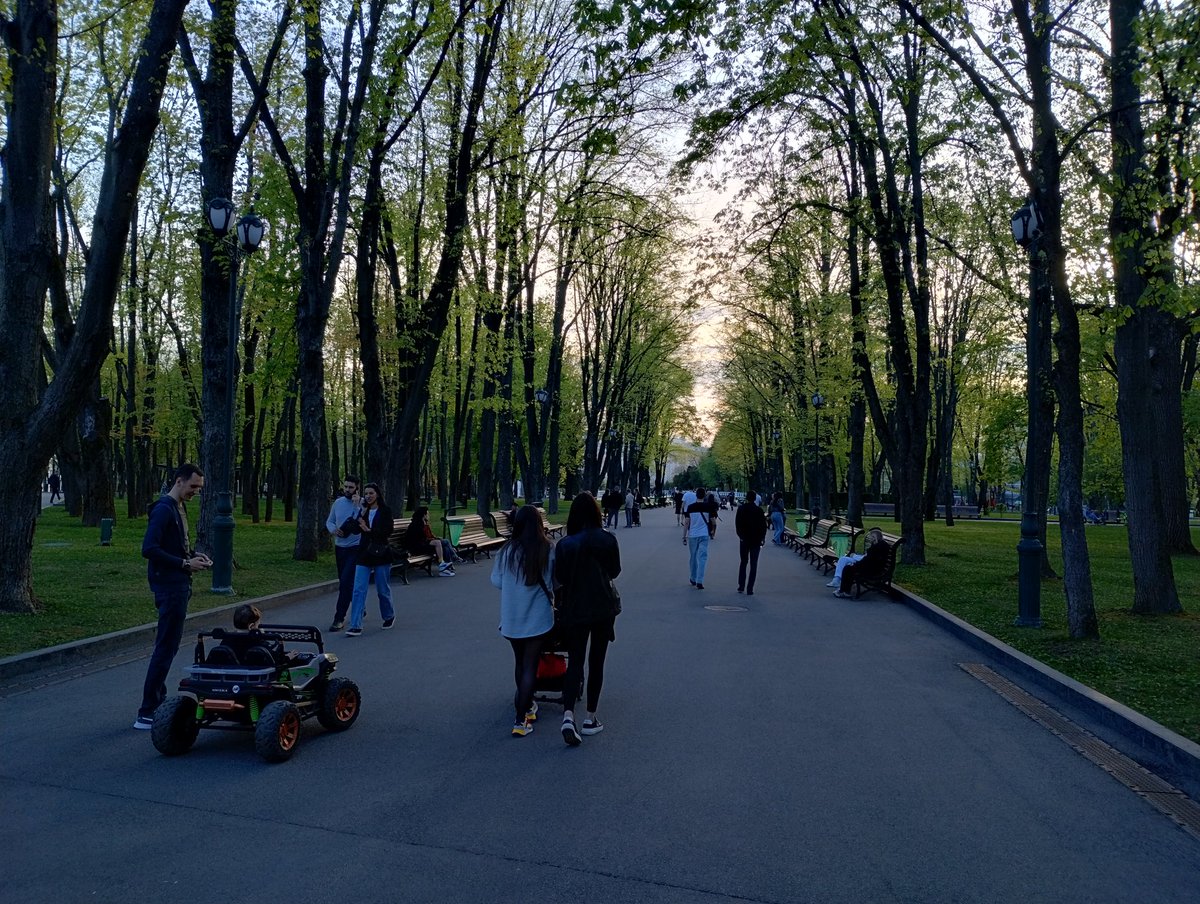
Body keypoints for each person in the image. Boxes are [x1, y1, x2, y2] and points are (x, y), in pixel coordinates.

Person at [133, 463, 212, 729]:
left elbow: (174, 547)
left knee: (168, 645)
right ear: (179, 481)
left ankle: (158, 700)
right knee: (165, 647)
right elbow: (149, 549)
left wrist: (192, 557)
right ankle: (148, 710)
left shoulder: (178, 507)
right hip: (169, 586)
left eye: (199, 488)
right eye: (193, 487)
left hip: (177, 583)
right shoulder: (164, 509)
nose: (195, 492)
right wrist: (183, 564)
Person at [553, 492, 621, 746]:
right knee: (597, 661)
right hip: (602, 607)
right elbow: (615, 570)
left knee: (576, 661)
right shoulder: (607, 539)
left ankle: (568, 714)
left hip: (575, 608)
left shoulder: (565, 544)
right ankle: (591, 717)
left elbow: (560, 577)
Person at [491, 504, 555, 738]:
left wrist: (512, 586)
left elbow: (496, 581)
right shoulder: (547, 549)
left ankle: (526, 707)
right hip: (537, 618)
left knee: (520, 663)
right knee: (530, 665)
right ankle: (521, 717)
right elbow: (554, 582)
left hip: (512, 617)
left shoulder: (507, 551)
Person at [345, 483, 396, 636]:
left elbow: (387, 532)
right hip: (364, 554)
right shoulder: (363, 511)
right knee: (358, 590)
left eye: (371, 493)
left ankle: (389, 615)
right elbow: (353, 529)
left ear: (377, 494)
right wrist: (358, 511)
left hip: (381, 553)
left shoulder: (385, 511)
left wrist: (368, 530)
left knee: (382, 589)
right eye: (366, 493)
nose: (368, 496)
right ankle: (355, 625)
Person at [324, 475, 362, 631]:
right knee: (344, 581)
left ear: (357, 488)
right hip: (340, 547)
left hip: (355, 547)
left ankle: (339, 618)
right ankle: (360, 605)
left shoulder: (361, 504)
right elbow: (330, 521)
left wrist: (357, 505)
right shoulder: (338, 503)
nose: (347, 490)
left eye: (351, 487)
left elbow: (358, 521)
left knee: (346, 582)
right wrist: (334, 530)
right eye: (346, 486)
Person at [403, 506, 458, 576]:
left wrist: (434, 538)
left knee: (444, 546)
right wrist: (434, 539)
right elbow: (421, 539)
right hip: (416, 547)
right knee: (440, 542)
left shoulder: (423, 523)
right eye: (427, 514)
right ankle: (443, 563)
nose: (429, 515)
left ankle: (445, 568)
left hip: (422, 545)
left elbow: (427, 537)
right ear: (424, 515)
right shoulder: (417, 525)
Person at [835, 528, 887, 598]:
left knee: (848, 569)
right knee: (848, 568)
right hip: (870, 566)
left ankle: (844, 591)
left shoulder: (879, 546)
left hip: (873, 569)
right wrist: (856, 564)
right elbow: (868, 559)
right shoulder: (876, 544)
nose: (870, 539)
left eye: (871, 537)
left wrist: (855, 565)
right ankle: (844, 590)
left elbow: (869, 560)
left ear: (875, 537)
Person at [735, 490, 769, 595]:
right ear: (755, 498)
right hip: (756, 540)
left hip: (744, 539)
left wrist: (740, 536)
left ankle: (741, 586)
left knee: (743, 562)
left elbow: (738, 524)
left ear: (746, 498)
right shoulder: (759, 511)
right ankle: (750, 588)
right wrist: (762, 538)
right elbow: (764, 526)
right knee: (754, 564)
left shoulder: (741, 509)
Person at [682, 486, 714, 589]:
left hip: (693, 535)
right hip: (704, 534)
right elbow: (713, 520)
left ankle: (693, 578)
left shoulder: (690, 507)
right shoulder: (708, 507)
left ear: (696, 495)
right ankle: (700, 580)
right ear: (704, 496)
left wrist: (684, 536)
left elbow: (687, 522)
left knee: (693, 557)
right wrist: (712, 530)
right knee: (703, 557)